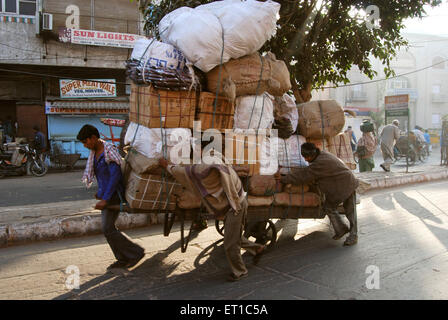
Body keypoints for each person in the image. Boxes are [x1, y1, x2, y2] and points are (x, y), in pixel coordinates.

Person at [159, 158, 265, 282]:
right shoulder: (216, 160)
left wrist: (167, 166)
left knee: (230, 244)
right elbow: (182, 171)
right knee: (233, 236)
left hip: (236, 206)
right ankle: (257, 248)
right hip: (235, 203)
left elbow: (182, 172)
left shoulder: (203, 169)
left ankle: (240, 271)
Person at [77, 124, 145, 270]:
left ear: (94, 138)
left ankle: (135, 253)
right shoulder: (95, 152)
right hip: (106, 193)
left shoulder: (108, 151)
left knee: (108, 228)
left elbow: (115, 176)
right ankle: (123, 258)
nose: (85, 145)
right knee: (108, 229)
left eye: (86, 141)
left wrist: (105, 198)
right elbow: (102, 176)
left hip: (114, 194)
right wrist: (100, 193)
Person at [275, 142, 359, 246]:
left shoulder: (319, 163)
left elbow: (303, 176)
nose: (305, 160)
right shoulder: (322, 155)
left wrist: (284, 179)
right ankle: (341, 229)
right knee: (330, 207)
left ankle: (352, 235)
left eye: (306, 157)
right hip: (343, 182)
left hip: (346, 184)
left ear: (311, 155)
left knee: (348, 211)